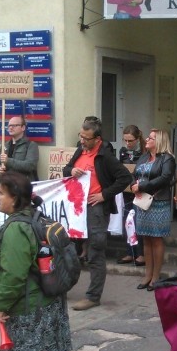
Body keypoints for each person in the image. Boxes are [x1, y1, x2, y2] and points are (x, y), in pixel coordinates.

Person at [0, 171, 72, 351]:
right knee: (47, 347)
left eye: (1, 193)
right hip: (50, 299)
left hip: (28, 304)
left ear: (15, 198)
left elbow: (14, 274)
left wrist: (0, 305)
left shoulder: (16, 229)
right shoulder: (37, 218)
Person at [63, 118, 131, 310]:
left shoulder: (105, 156)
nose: (82, 141)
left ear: (97, 138)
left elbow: (125, 177)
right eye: (81, 136)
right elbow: (66, 169)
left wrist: (104, 195)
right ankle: (62, 286)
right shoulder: (80, 149)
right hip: (78, 205)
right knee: (69, 245)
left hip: (96, 208)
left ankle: (93, 296)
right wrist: (71, 170)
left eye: (86, 138)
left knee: (95, 250)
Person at [130, 128, 176, 290]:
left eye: (150, 138)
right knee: (146, 238)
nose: (147, 140)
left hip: (158, 202)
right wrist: (133, 185)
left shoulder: (167, 159)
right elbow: (134, 175)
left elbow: (165, 178)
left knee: (156, 239)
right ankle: (147, 275)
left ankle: (156, 276)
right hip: (142, 202)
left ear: (159, 141)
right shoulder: (143, 157)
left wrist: (142, 186)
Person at [117, 124, 145, 266]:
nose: (127, 143)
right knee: (127, 221)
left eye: (130, 141)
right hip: (126, 191)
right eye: (125, 140)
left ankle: (141, 253)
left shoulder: (144, 152)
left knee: (138, 222)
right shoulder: (122, 152)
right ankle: (130, 252)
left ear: (137, 139)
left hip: (140, 191)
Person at [0, 115, 39, 181]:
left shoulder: (31, 145)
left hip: (23, 184)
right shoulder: (5, 145)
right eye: (9, 126)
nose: (10, 128)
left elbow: (30, 166)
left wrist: (8, 161)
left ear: (23, 128)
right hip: (7, 183)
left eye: (14, 125)